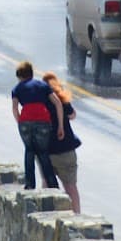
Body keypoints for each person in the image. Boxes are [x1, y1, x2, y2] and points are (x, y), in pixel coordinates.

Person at [10, 59, 62, 190]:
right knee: (43, 153)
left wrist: (20, 122)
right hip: (43, 121)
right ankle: (53, 186)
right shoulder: (42, 85)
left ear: (20, 76)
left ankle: (29, 185)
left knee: (29, 151)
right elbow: (57, 103)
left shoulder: (17, 88)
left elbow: (15, 109)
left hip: (25, 122)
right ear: (31, 73)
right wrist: (60, 125)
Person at [43, 70, 83, 212]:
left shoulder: (40, 101)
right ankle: (76, 216)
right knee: (70, 187)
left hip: (46, 151)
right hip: (65, 150)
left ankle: (46, 215)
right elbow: (72, 115)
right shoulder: (61, 100)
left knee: (47, 186)